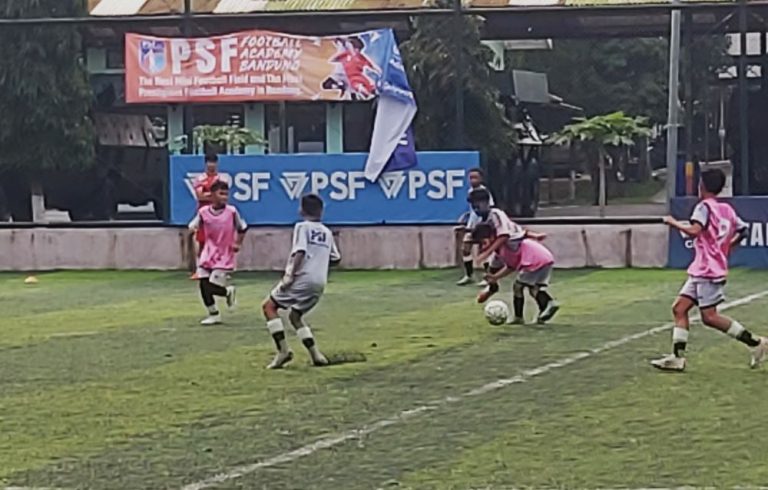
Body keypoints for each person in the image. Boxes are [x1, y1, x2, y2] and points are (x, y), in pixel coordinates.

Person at [652, 168, 767, 372]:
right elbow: (743, 229)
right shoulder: (726, 209)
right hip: (702, 269)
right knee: (679, 308)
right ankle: (677, 358)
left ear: (702, 186)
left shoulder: (703, 207)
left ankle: (757, 343)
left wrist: (673, 222)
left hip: (708, 270)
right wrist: (728, 247)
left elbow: (695, 231)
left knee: (710, 317)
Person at [262, 194, 341, 369]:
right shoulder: (326, 232)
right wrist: (319, 262)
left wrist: (290, 275)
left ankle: (283, 351)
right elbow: (336, 258)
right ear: (321, 211)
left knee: (269, 307)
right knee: (295, 316)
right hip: (319, 282)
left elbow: (300, 251)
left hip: (302, 277)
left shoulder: (302, 227)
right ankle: (316, 355)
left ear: (301, 210)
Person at [472, 222, 560, 325]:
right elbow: (511, 267)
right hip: (544, 259)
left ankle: (521, 316)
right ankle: (544, 311)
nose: (483, 246)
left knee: (518, 286)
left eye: (483, 241)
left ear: (492, 236)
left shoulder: (507, 241)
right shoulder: (499, 254)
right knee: (533, 288)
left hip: (534, 259)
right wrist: (495, 277)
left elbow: (521, 234)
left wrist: (536, 236)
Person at [188, 181, 247, 325]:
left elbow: (242, 228)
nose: (224, 197)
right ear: (212, 195)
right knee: (203, 283)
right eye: (221, 194)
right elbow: (193, 225)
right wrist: (192, 229)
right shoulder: (203, 212)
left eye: (226, 194)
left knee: (212, 284)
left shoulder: (232, 212)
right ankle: (213, 313)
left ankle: (227, 292)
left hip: (224, 254)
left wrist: (238, 243)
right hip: (208, 252)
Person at [456, 168, 496, 286]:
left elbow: (489, 209)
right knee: (465, 248)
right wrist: (465, 219)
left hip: (483, 225)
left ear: (481, 179)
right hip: (471, 225)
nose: (473, 180)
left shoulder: (485, 193)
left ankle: (488, 277)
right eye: (471, 177)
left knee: (484, 250)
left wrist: (486, 224)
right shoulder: (470, 192)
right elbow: (473, 210)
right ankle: (469, 275)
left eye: (475, 177)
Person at [190, 154, 221, 279]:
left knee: (218, 242)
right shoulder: (200, 179)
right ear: (205, 164)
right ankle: (199, 269)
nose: (211, 165)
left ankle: (218, 269)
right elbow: (200, 196)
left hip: (218, 213)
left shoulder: (221, 179)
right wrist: (212, 195)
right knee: (201, 241)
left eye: (213, 162)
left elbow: (221, 196)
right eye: (209, 162)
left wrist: (210, 194)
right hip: (204, 214)